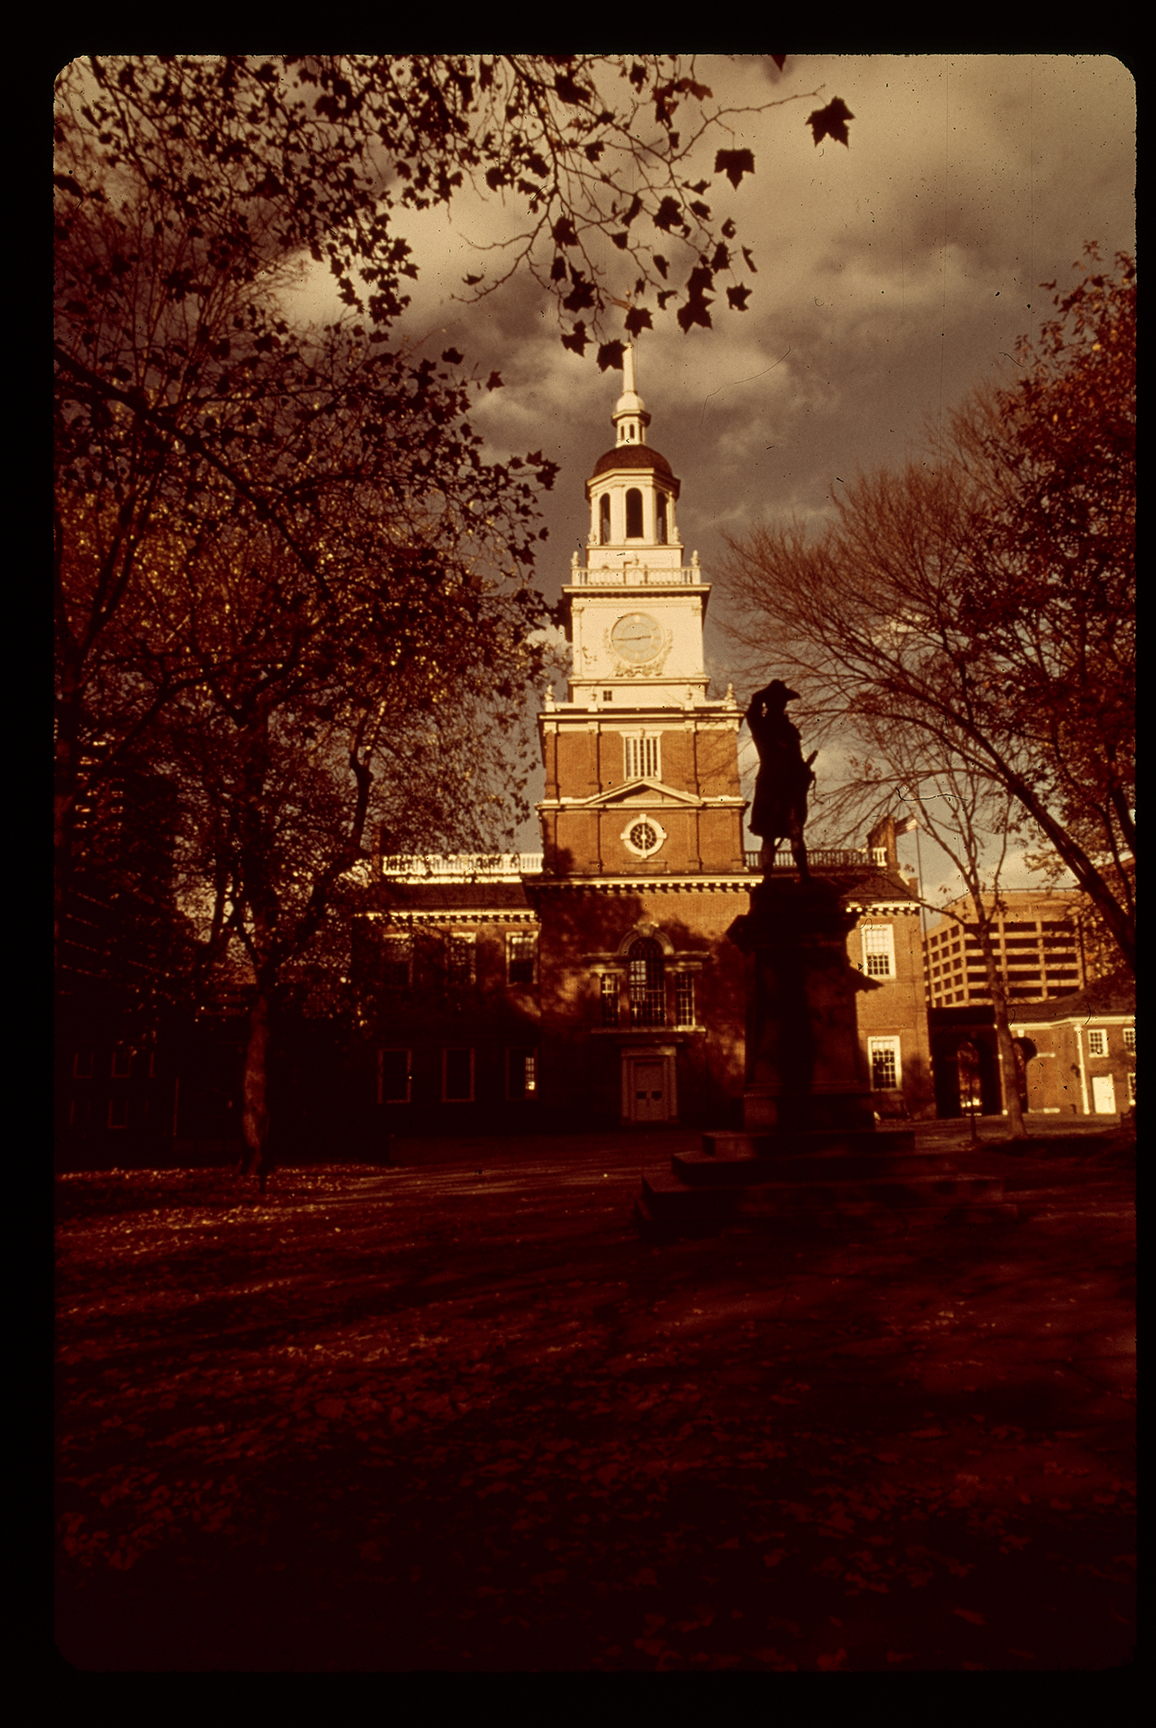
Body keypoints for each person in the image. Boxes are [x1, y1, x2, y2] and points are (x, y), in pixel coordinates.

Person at [746, 680, 816, 877]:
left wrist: (804, 771)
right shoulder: (761, 724)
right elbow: (751, 713)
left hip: (791, 785)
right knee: (769, 836)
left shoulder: (790, 728)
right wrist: (760, 696)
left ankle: (804, 875)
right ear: (769, 703)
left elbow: (797, 757)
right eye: (778, 700)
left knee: (796, 832)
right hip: (770, 784)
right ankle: (767, 878)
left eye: (783, 701)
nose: (782, 704)